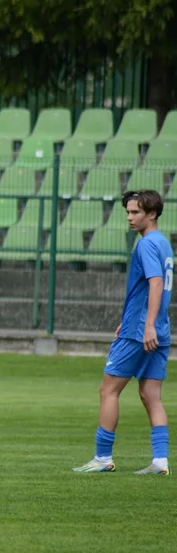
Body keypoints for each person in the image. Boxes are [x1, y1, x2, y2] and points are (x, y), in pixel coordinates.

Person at [74, 189, 173, 475]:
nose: (130, 218)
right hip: (157, 329)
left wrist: (145, 324)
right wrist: (145, 321)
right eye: (128, 212)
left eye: (136, 212)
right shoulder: (163, 243)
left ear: (151, 214)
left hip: (140, 332)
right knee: (150, 395)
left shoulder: (146, 245)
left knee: (108, 390)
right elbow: (152, 287)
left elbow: (155, 284)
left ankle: (103, 458)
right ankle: (160, 462)